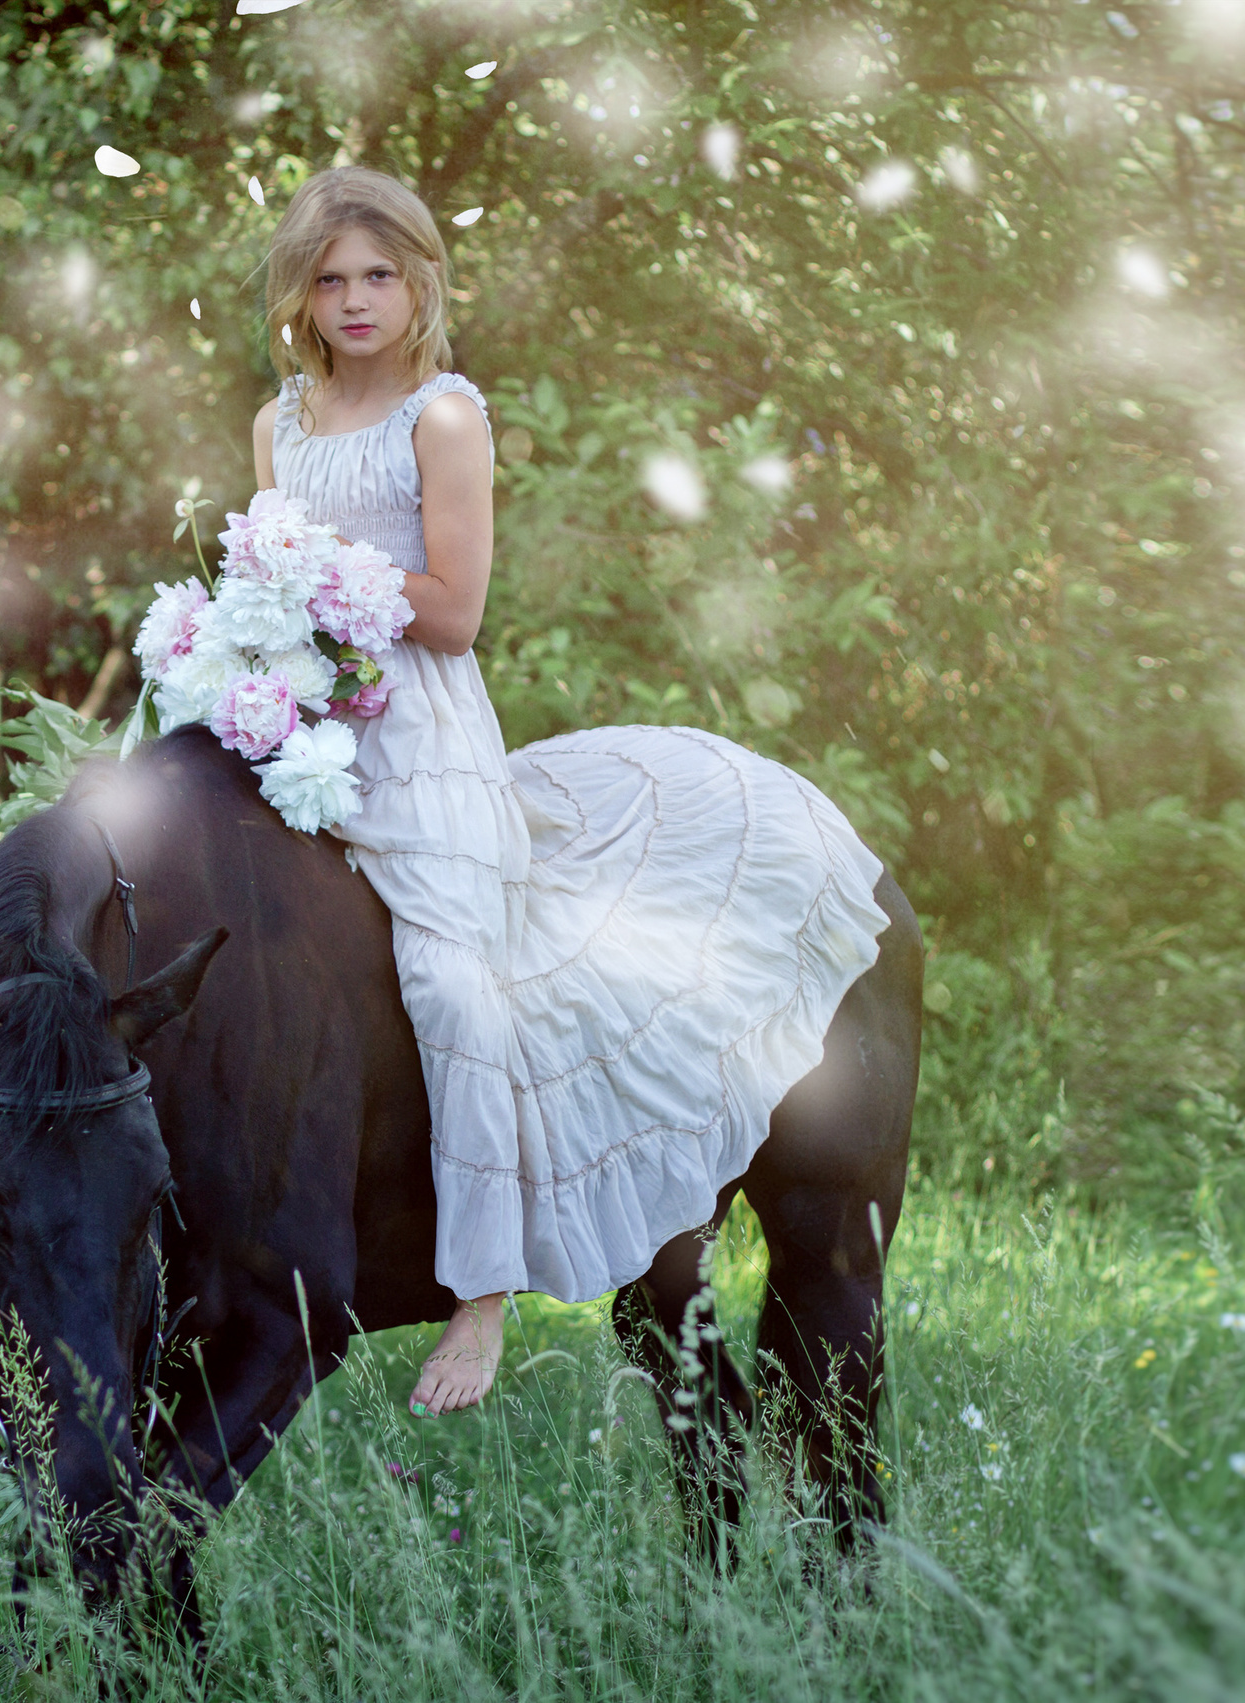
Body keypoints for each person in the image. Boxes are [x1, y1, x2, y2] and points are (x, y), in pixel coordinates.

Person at [248, 168, 892, 1419]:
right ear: (301, 295)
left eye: (379, 274)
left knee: (451, 983)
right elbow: (264, 584)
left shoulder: (443, 417)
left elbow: (452, 609)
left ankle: (476, 1292)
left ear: (421, 279)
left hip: (417, 734)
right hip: (293, 725)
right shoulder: (280, 423)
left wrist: (312, 587)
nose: (355, 300)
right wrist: (241, 643)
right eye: (330, 279)